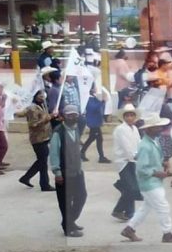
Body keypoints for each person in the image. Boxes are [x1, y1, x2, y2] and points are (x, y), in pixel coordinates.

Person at [120, 113, 172, 243]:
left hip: (151, 182)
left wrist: (163, 162)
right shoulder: (145, 145)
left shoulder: (152, 142)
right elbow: (142, 168)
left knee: (146, 208)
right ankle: (167, 234)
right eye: (157, 127)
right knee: (163, 207)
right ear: (148, 129)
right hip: (149, 182)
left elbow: (150, 161)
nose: (160, 129)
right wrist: (157, 173)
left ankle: (129, 229)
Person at [49, 104, 87, 236]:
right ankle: (68, 227)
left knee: (81, 196)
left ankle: (70, 220)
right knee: (66, 201)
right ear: (64, 116)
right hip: (64, 173)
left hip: (77, 171)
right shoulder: (58, 133)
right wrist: (57, 172)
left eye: (75, 115)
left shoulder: (76, 129)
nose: (72, 117)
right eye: (69, 115)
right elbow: (54, 154)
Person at [111, 103, 143, 220]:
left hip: (133, 161)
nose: (129, 118)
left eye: (131, 115)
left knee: (131, 188)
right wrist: (135, 156)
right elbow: (127, 148)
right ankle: (118, 210)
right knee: (132, 189)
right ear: (123, 117)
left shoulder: (134, 129)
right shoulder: (120, 130)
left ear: (135, 117)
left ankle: (130, 213)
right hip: (123, 161)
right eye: (127, 115)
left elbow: (138, 143)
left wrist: (141, 154)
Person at [18, 89, 54, 191]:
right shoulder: (32, 109)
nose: (42, 96)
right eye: (39, 94)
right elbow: (33, 124)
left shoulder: (43, 105)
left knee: (41, 161)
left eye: (43, 94)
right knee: (42, 162)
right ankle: (44, 184)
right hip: (37, 138)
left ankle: (26, 178)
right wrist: (47, 118)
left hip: (44, 136)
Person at [81, 86, 111, 162]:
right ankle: (101, 157)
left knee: (93, 138)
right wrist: (103, 101)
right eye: (94, 87)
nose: (96, 89)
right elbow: (94, 108)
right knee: (97, 139)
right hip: (93, 121)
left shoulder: (93, 97)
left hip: (96, 121)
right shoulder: (88, 98)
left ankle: (82, 153)